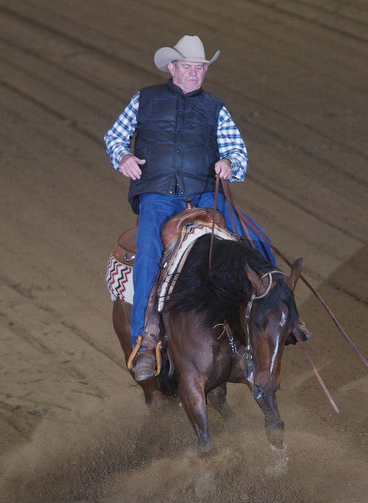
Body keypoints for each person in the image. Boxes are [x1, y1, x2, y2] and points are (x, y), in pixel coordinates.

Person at [104, 35, 277, 381]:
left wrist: (229, 163)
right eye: (188, 67)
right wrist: (123, 157)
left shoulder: (215, 107)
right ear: (172, 68)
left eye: (200, 68)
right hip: (158, 194)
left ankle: (275, 314)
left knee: (257, 243)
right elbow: (115, 136)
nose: (195, 73)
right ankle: (146, 340)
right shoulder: (144, 99)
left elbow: (237, 150)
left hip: (205, 193)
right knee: (149, 253)